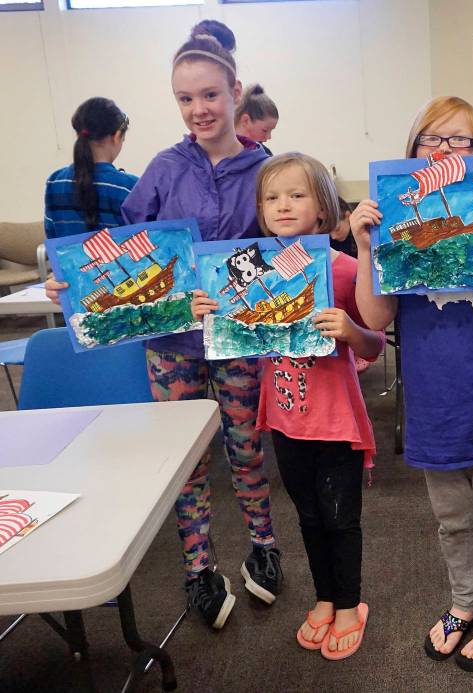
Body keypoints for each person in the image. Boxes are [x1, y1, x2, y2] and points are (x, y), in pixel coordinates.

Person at [48, 20, 281, 630]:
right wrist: (73, 285)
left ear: (234, 92)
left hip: (239, 338)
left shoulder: (267, 169)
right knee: (186, 461)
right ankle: (198, 568)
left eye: (210, 94)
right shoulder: (163, 168)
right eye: (185, 98)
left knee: (246, 449)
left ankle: (264, 544)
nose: (198, 109)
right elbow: (121, 255)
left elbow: (287, 250)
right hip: (171, 344)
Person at [349, 96, 473, 672]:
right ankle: (465, 603)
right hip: (432, 405)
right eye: (432, 140)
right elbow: (375, 316)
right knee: (452, 520)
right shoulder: (396, 225)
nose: (445, 150)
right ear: (413, 151)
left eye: (460, 141)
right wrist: (365, 248)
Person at [192, 153, 383, 659]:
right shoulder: (248, 270)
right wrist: (207, 311)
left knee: (340, 518)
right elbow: (232, 328)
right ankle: (325, 597)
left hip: (336, 421)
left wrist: (352, 330)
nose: (283, 206)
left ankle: (350, 604)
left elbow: (375, 342)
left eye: (297, 195)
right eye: (271, 198)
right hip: (284, 419)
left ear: (323, 208)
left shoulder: (343, 268)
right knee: (308, 517)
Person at [44, 97, 137, 238]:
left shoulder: (55, 182)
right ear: (117, 136)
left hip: (68, 254)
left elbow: (52, 238)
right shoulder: (129, 187)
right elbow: (147, 241)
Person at [235, 84, 279, 155]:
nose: (269, 137)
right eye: (265, 130)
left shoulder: (265, 155)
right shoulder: (219, 148)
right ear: (246, 121)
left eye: (271, 130)